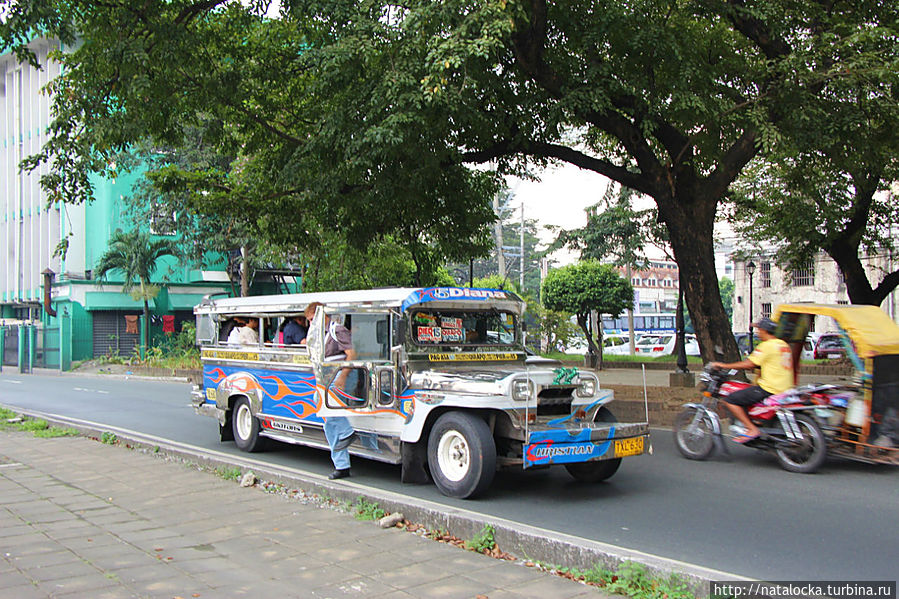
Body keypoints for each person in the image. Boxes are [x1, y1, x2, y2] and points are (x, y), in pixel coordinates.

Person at [710, 317, 793, 443]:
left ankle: (751, 428)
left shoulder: (766, 346)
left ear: (764, 330)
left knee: (730, 400)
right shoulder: (783, 344)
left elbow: (748, 364)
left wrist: (723, 366)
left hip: (770, 388)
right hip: (786, 388)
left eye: (759, 329)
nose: (758, 332)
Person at [305, 302, 358, 480]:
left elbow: (351, 354)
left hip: (341, 374)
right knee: (329, 423)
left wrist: (343, 377)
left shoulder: (338, 330)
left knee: (323, 403)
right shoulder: (320, 334)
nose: (311, 323)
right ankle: (341, 465)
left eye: (312, 319)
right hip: (328, 376)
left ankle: (347, 432)